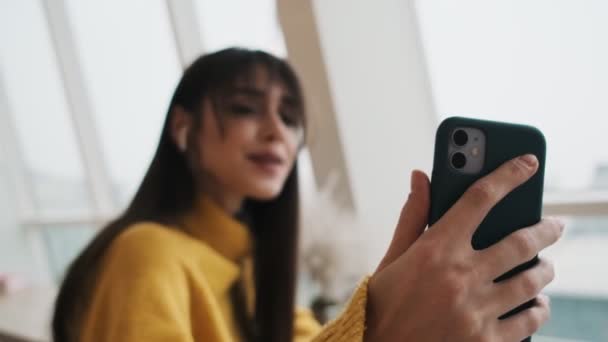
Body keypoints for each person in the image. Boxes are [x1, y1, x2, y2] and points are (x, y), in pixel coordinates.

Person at [52, 48, 563, 342]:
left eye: (291, 117)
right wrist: (379, 329)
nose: (278, 132)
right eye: (246, 108)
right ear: (183, 128)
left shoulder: (256, 275)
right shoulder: (146, 252)